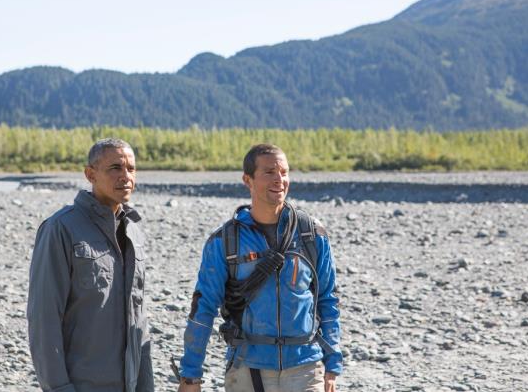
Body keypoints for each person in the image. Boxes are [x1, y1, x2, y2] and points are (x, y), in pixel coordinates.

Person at [177, 144, 342, 392]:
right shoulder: (225, 242)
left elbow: (328, 299)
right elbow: (203, 309)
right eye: (269, 172)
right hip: (248, 367)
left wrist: (332, 365)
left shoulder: (311, 235)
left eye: (284, 172)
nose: (279, 180)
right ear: (248, 180)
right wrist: (191, 376)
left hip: (306, 367)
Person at [27, 138, 153, 392]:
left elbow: (139, 320)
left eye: (131, 168)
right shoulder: (61, 229)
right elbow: (44, 318)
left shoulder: (133, 232)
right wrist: (59, 387)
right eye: (115, 168)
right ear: (90, 174)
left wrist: (145, 385)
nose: (126, 176)